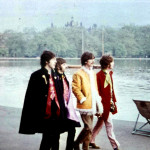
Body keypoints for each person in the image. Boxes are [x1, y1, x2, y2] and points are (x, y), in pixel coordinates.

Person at [19, 50, 65, 150]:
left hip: (55, 112)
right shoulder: (36, 75)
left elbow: (60, 95)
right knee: (47, 138)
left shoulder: (56, 75)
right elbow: (31, 98)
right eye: (53, 60)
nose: (55, 62)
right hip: (45, 113)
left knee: (56, 137)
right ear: (46, 62)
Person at [72, 52, 103, 150]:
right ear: (85, 61)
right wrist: (82, 98)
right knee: (88, 127)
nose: (93, 61)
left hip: (93, 103)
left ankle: (85, 147)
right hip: (84, 104)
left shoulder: (92, 73)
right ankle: (76, 143)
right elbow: (75, 88)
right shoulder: (78, 73)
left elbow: (95, 89)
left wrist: (98, 102)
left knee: (89, 128)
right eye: (91, 59)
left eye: (94, 59)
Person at [89, 55, 120, 150]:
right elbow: (96, 93)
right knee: (109, 125)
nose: (114, 63)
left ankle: (91, 140)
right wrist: (98, 107)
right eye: (112, 62)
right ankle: (115, 146)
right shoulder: (98, 76)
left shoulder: (109, 74)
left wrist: (113, 102)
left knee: (100, 123)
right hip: (102, 105)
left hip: (108, 103)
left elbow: (111, 90)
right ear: (108, 64)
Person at [55, 57, 81, 150]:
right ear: (58, 66)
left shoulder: (63, 75)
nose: (66, 65)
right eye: (64, 64)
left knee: (72, 129)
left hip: (66, 109)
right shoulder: (55, 77)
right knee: (55, 134)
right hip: (59, 110)